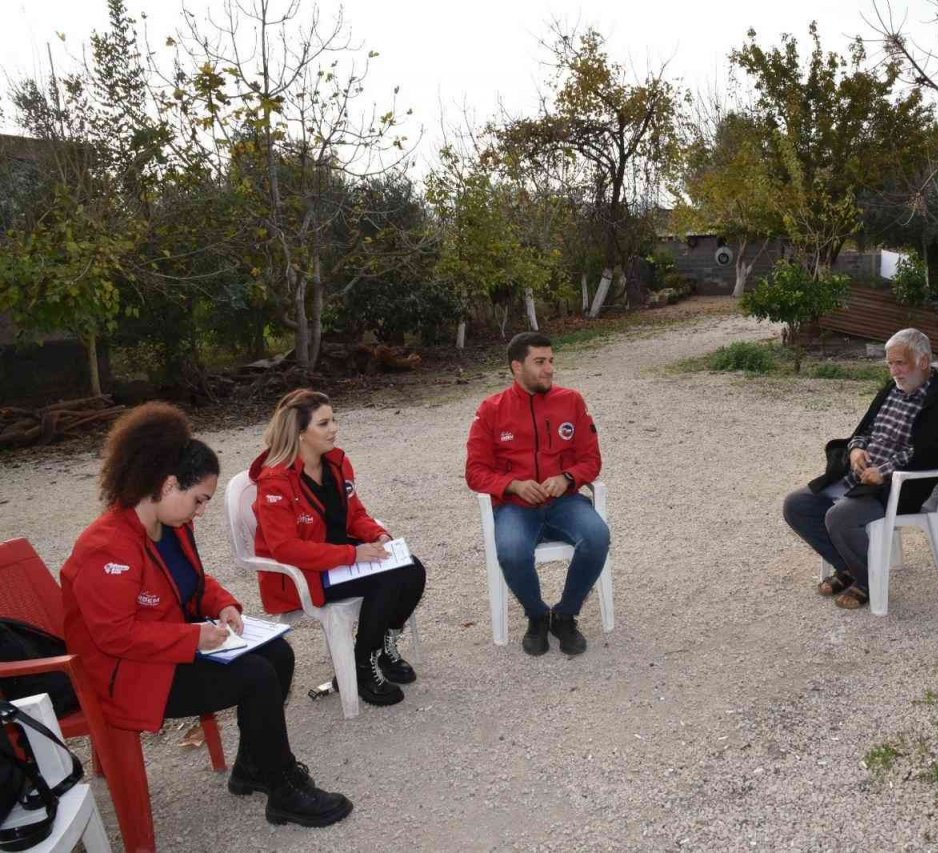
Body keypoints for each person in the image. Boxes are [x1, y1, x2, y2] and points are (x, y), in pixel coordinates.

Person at [60, 403, 352, 828]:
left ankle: (253, 767)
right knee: (256, 676)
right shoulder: (106, 548)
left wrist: (222, 604)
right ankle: (282, 786)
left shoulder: (172, 525)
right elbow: (114, 636)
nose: (201, 511)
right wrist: (193, 639)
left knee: (279, 655)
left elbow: (193, 583)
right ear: (168, 484)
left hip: (160, 653)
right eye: (199, 500)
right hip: (125, 675)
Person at [250, 389, 425, 707]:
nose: (334, 429)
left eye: (333, 420)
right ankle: (362, 666)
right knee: (387, 579)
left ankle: (383, 647)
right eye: (323, 423)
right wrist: (353, 555)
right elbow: (285, 548)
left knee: (412, 569)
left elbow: (355, 514)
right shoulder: (275, 481)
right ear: (300, 432)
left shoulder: (336, 462)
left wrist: (378, 535)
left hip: (339, 560)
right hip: (308, 575)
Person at [783, 328, 938, 608]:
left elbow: (935, 450)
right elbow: (863, 430)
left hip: (899, 487)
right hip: (858, 478)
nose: (894, 371)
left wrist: (885, 471)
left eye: (900, 363)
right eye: (890, 364)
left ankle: (867, 582)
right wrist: (855, 449)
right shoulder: (890, 390)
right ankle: (849, 567)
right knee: (797, 505)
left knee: (840, 517)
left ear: (923, 361)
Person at [466, 332, 609, 657]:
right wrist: (513, 485)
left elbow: (591, 460)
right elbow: (475, 472)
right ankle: (537, 616)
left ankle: (565, 615)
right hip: (515, 507)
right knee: (512, 552)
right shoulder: (491, 410)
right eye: (540, 362)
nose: (549, 369)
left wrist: (567, 478)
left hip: (564, 502)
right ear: (517, 367)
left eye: (551, 361)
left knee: (597, 537)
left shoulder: (571, 401)